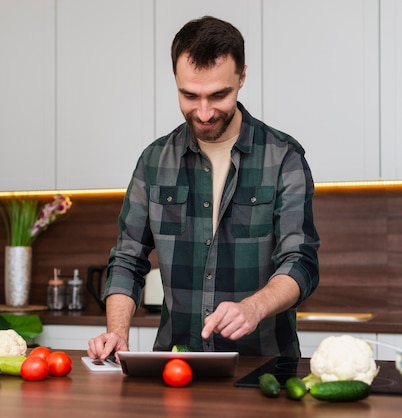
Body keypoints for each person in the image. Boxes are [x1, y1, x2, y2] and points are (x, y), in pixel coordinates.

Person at [87, 16, 320, 360]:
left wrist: (254, 307)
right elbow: (127, 259)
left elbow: (300, 261)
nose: (205, 111)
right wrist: (117, 333)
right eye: (189, 95)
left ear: (242, 77)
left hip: (263, 366)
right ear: (176, 81)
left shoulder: (283, 158)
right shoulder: (154, 161)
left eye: (219, 95)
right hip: (174, 364)